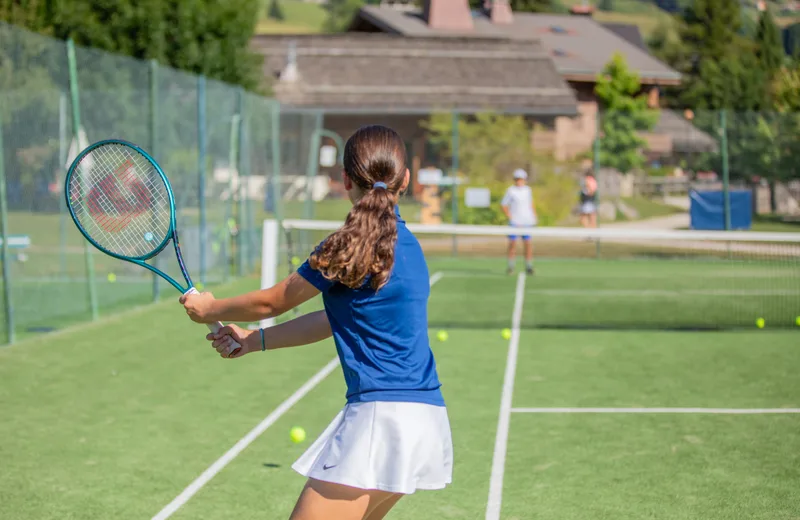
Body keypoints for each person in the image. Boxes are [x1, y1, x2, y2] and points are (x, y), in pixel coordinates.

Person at [181, 125, 452, 520]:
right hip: (425, 419)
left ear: (344, 180)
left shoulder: (347, 245)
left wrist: (211, 309)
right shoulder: (408, 247)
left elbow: (273, 301)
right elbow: (337, 319)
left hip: (380, 419)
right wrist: (255, 341)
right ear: (406, 179)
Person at [501, 168, 537, 275]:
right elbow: (504, 205)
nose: (519, 181)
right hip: (514, 222)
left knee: (528, 244)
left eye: (521, 179)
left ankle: (529, 266)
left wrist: (534, 216)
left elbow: (531, 204)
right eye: (517, 179)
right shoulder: (510, 191)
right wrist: (510, 217)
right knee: (512, 244)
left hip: (527, 222)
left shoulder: (528, 190)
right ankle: (511, 266)